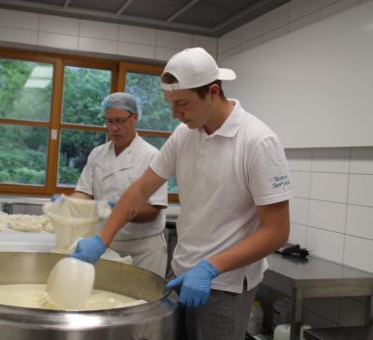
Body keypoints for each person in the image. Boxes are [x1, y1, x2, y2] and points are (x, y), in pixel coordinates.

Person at [71, 47, 293, 340]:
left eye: (183, 104)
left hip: (224, 284)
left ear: (212, 92)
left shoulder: (258, 141)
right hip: (180, 273)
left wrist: (211, 267)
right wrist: (103, 238)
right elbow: (141, 188)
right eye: (170, 104)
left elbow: (277, 232)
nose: (176, 113)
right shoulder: (185, 133)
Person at [71, 92, 169, 278]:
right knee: (106, 301)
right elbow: (84, 192)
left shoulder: (151, 155)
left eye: (119, 121)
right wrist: (68, 203)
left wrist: (114, 211)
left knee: (141, 303)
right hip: (105, 245)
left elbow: (153, 210)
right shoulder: (97, 154)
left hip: (142, 250)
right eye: (108, 122)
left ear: (134, 118)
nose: (113, 128)